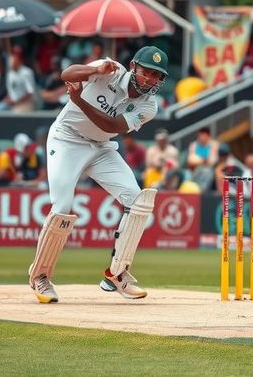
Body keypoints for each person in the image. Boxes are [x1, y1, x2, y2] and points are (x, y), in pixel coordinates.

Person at [27, 45, 168, 304]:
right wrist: (94, 69)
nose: (150, 79)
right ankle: (40, 276)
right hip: (67, 139)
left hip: (101, 147)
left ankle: (117, 273)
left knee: (138, 200)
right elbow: (67, 74)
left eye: (157, 75)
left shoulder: (149, 106)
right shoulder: (109, 70)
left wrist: (79, 101)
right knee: (62, 208)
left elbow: (110, 125)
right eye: (146, 71)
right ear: (134, 66)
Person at [0, 46, 36, 112]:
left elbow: (30, 93)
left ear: (20, 60)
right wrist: (7, 99)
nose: (12, 60)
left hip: (24, 103)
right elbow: (11, 91)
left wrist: (16, 102)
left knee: (15, 114)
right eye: (12, 57)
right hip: (11, 103)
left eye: (15, 58)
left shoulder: (26, 72)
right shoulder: (10, 74)